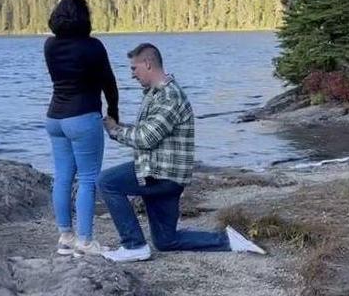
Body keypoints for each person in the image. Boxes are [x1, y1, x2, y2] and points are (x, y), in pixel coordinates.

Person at [99, 43, 265, 262]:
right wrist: (119, 127)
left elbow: (145, 138)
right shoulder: (157, 94)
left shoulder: (169, 97)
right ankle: (229, 241)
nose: (132, 75)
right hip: (167, 177)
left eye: (133, 68)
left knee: (106, 182)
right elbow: (149, 132)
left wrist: (114, 130)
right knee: (166, 241)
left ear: (147, 64)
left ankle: (134, 245)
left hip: (160, 175)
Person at [44, 0, 119, 257]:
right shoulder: (93, 47)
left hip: (55, 118)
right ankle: (85, 241)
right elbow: (109, 83)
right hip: (83, 117)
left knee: (63, 176)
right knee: (88, 179)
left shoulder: (50, 46)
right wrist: (114, 113)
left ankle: (66, 237)